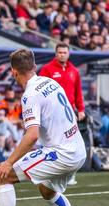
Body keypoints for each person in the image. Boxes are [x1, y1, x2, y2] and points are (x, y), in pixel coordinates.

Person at [0, 49, 87, 206]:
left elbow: (32, 135)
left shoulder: (30, 95)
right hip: (78, 148)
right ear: (34, 67)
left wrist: (8, 162)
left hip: (62, 152)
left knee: (3, 175)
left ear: (13, 72)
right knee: (47, 189)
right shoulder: (51, 82)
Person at [39, 42, 86, 185]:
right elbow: (39, 91)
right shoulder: (47, 69)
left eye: (64, 52)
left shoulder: (74, 71)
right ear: (55, 53)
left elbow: (78, 92)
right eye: (60, 52)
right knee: (52, 142)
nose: (62, 55)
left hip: (69, 113)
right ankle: (48, 172)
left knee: (72, 143)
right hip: (51, 114)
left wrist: (81, 109)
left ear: (68, 54)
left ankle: (70, 175)